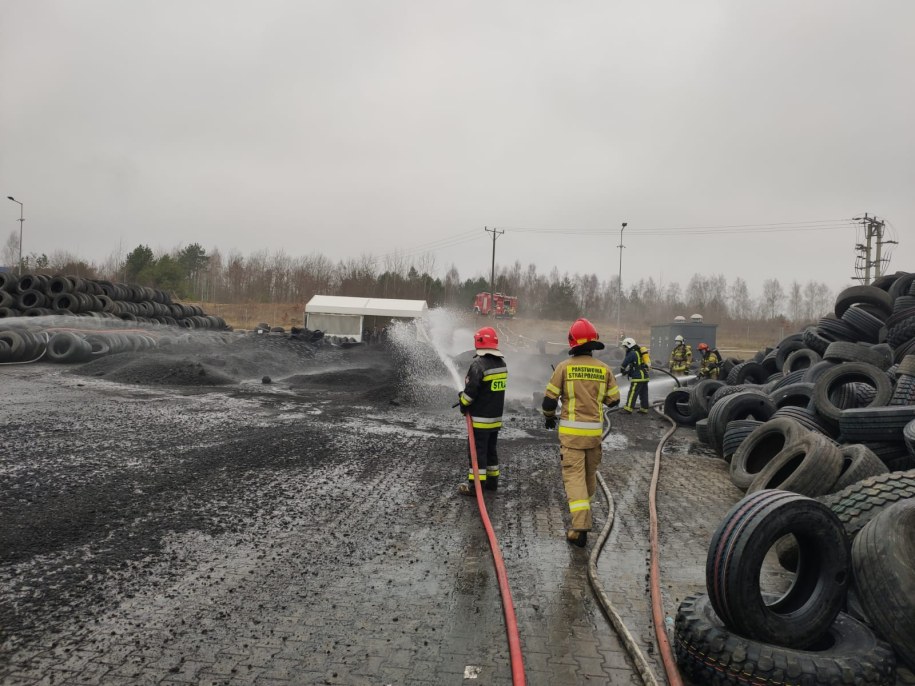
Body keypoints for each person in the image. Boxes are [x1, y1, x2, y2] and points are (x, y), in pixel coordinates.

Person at [542, 319, 620, 547]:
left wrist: (549, 418)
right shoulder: (604, 369)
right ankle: (584, 520)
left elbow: (548, 400)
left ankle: (580, 528)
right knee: (588, 479)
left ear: (572, 342)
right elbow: (614, 399)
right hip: (594, 437)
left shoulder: (564, 367)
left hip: (571, 438)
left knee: (574, 480)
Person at [457, 326, 508, 495]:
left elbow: (470, 393)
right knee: (491, 450)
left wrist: (463, 402)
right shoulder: (502, 364)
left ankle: (475, 487)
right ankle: (492, 483)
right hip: (495, 418)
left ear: (478, 343)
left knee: (477, 453)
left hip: (480, 419)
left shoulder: (478, 365)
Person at [620, 337, 651, 413]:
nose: (625, 349)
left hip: (638, 377)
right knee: (644, 394)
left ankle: (628, 408)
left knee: (632, 393)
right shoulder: (639, 352)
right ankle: (644, 409)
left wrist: (622, 370)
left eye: (626, 347)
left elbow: (624, 363)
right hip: (645, 376)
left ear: (629, 345)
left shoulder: (632, 353)